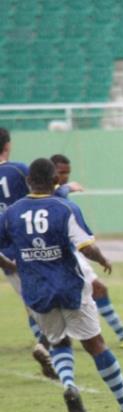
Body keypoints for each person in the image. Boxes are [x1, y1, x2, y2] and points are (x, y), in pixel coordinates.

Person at [0, 158, 123, 412]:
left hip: (36, 291)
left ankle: (68, 384)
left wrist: (9, 264)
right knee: (95, 344)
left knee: (58, 342)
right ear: (56, 180)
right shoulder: (65, 208)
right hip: (69, 287)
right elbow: (85, 247)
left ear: (29, 181)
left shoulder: (12, 213)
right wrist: (102, 259)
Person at [50, 154, 123, 350]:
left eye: (67, 173)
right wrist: (67, 188)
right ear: (51, 172)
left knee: (97, 289)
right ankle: (49, 344)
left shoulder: (55, 191)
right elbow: (56, 199)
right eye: (61, 173)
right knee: (63, 301)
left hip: (70, 252)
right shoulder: (51, 193)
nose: (65, 177)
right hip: (64, 255)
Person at [0, 127, 58, 379]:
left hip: (5, 257)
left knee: (34, 307)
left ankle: (48, 352)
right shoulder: (18, 170)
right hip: (32, 250)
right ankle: (45, 348)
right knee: (56, 307)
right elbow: (42, 197)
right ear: (7, 145)